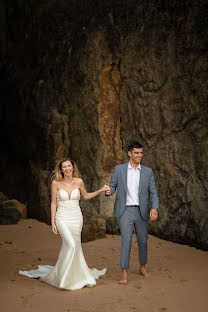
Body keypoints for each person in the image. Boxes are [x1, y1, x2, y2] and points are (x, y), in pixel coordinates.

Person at [19, 157, 107, 290]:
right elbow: (54, 203)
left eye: (69, 166)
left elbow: (86, 196)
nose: (67, 169)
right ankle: (64, 277)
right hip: (62, 218)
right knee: (71, 245)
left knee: (74, 246)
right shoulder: (56, 183)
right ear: (61, 169)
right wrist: (53, 222)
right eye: (64, 167)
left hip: (77, 218)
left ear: (73, 167)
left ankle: (75, 275)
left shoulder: (79, 182)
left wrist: (100, 190)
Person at [105, 142, 159, 284]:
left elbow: (153, 192)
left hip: (142, 211)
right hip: (125, 210)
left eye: (141, 153)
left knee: (142, 240)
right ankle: (124, 273)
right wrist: (108, 191)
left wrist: (154, 208)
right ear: (129, 153)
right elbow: (112, 186)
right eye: (136, 153)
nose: (139, 155)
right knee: (126, 241)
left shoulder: (148, 171)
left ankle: (142, 267)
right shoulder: (119, 169)